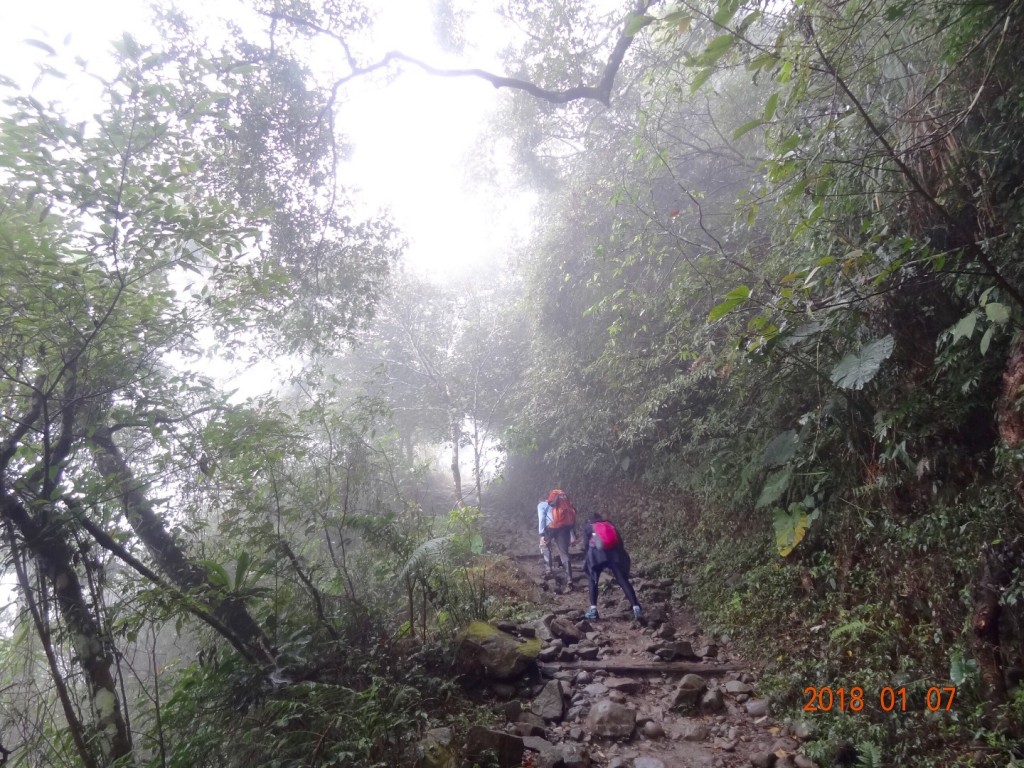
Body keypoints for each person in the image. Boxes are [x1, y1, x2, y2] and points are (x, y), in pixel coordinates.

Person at [582, 512, 642, 622]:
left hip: (596, 556)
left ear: (589, 520)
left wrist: (588, 560)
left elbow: (586, 545)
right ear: (600, 518)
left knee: (592, 579)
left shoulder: (589, 527)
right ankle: (636, 607)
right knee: (623, 580)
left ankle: (593, 610)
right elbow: (620, 542)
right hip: (614, 555)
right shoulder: (609, 524)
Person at [538, 489, 576, 592]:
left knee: (545, 545)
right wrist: (573, 534)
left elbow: (542, 519)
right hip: (564, 528)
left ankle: (548, 570)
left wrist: (541, 534)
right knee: (564, 553)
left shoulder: (542, 505)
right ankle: (569, 580)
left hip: (550, 528)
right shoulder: (563, 504)